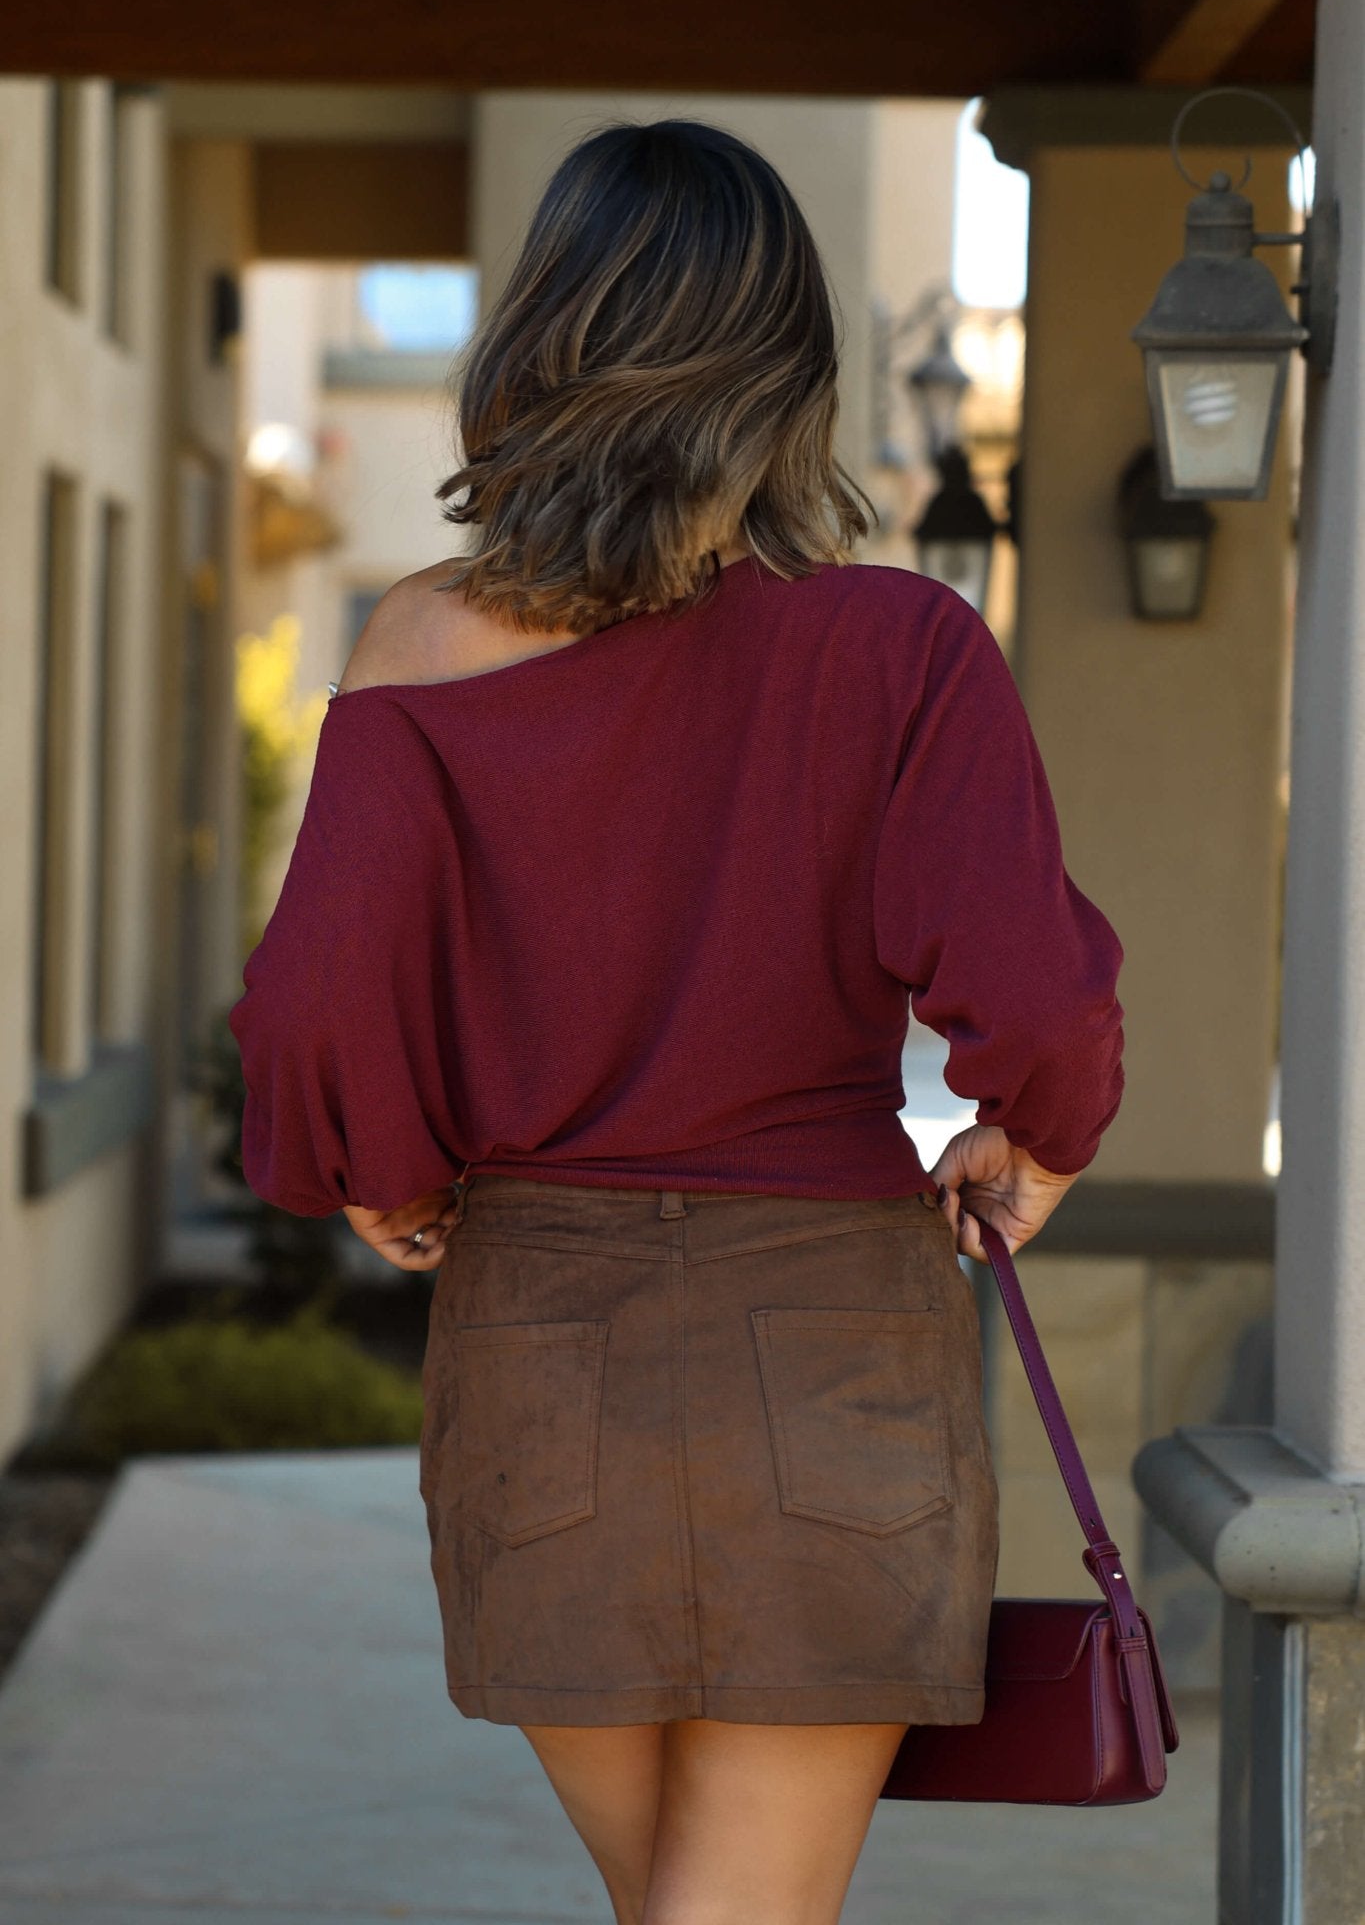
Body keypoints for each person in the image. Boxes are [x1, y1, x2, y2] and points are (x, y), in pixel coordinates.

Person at [228, 118, 1125, 1925]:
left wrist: (374, 1173)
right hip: (829, 1343)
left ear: (535, 342)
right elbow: (1026, 990)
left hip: (541, 1341)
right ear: (788, 371)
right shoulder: (892, 647)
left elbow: (316, 998)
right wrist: (1034, 1134)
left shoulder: (413, 646)